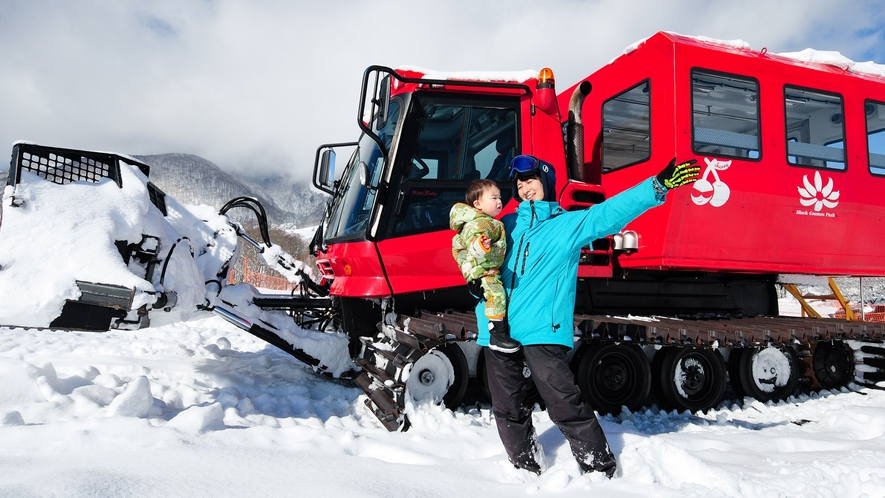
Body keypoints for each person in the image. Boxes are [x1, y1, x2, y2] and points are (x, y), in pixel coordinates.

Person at [478, 154, 699, 477]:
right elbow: (474, 252)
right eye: (520, 183)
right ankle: (525, 468)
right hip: (497, 329)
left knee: (565, 404)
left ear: (547, 183)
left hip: (542, 329)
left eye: (532, 180)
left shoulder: (568, 225)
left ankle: (599, 468)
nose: (525, 188)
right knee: (507, 408)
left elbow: (609, 214)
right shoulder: (504, 225)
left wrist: (657, 186)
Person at [450, 179, 521, 353]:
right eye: (494, 197)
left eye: (500, 197)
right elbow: (473, 242)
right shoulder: (480, 223)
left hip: (483, 269)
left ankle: (496, 332)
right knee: (496, 295)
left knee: (493, 295)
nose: (499, 201)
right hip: (483, 271)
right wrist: (481, 246)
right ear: (478, 204)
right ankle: (499, 335)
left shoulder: (484, 221)